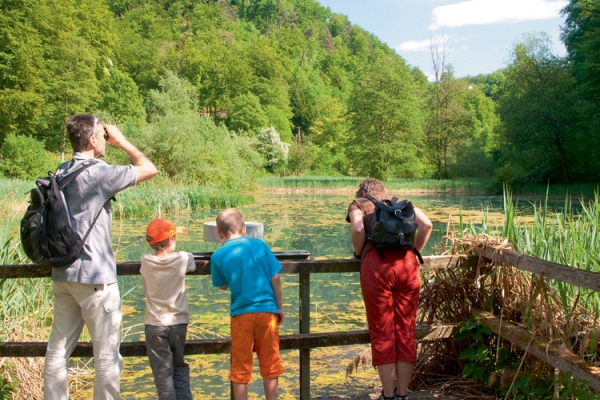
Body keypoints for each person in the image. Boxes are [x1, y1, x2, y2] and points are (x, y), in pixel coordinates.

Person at [43, 114, 158, 400]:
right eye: (102, 134)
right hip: (95, 278)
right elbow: (149, 169)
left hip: (63, 275)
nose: (106, 138)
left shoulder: (60, 172)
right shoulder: (99, 173)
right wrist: (122, 142)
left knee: (57, 350)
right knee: (107, 354)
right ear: (93, 139)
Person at [346, 178, 433, 400]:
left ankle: (388, 396)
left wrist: (359, 254)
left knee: (382, 331)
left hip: (377, 268)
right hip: (408, 267)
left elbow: (357, 229)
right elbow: (427, 225)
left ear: (363, 192)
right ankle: (403, 395)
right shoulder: (402, 203)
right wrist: (414, 251)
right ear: (384, 192)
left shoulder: (359, 204)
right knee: (405, 330)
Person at [210, 208, 284, 400]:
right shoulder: (260, 245)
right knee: (270, 365)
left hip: (241, 315)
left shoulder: (217, 256)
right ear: (244, 229)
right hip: (268, 312)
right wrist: (280, 307)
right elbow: (275, 278)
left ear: (219, 234)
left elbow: (223, 286)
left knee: (240, 369)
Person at [141, 218, 196, 400]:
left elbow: (144, 287)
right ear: (171, 240)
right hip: (178, 323)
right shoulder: (182, 258)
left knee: (163, 374)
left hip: (155, 325)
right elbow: (192, 263)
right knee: (179, 367)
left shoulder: (146, 261)